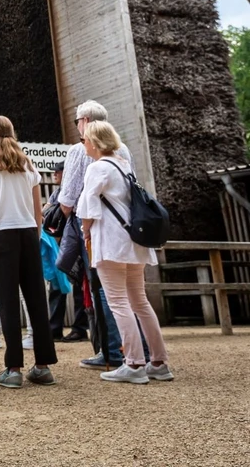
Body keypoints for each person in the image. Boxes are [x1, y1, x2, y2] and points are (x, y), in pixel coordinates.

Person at [77, 121, 174, 384]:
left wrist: (85, 231)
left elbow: (87, 210)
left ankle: (133, 363)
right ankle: (158, 361)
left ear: (95, 143)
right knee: (140, 301)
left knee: (118, 302)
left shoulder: (97, 168)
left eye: (85, 140)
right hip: (134, 240)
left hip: (111, 242)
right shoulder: (123, 164)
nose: (83, 143)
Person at [0, 116, 57, 389]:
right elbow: (38, 210)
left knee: (7, 301)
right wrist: (34, 237)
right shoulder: (28, 166)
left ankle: (13, 368)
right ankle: (43, 366)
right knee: (35, 299)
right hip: (28, 233)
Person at [58, 100, 132, 369]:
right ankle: (135, 350)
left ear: (86, 122)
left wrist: (67, 224)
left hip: (95, 231)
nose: (77, 126)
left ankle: (109, 349)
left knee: (99, 289)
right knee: (129, 294)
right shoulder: (123, 149)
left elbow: (70, 198)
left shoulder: (82, 153)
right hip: (125, 229)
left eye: (78, 120)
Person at [46, 162, 88, 342]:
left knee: (80, 285)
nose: (55, 174)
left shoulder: (72, 189)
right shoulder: (58, 192)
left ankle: (80, 328)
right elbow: (46, 209)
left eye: (58, 171)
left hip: (74, 240)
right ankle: (55, 328)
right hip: (62, 243)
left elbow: (51, 211)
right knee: (58, 285)